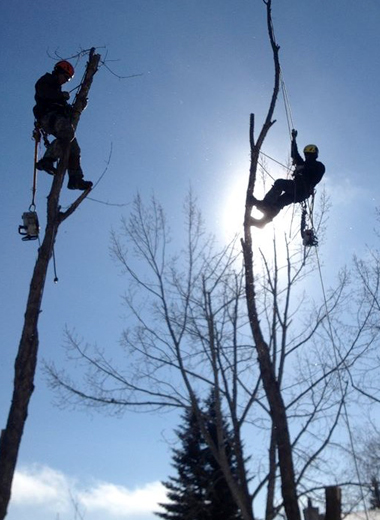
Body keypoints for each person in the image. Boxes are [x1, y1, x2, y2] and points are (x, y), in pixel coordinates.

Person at [33, 60, 93, 191]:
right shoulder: (46, 80)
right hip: (48, 117)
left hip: (57, 118)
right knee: (67, 135)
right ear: (59, 72)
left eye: (68, 79)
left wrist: (80, 107)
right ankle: (47, 160)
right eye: (65, 77)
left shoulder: (57, 91)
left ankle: (75, 179)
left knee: (74, 148)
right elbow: (44, 93)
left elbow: (67, 111)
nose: (66, 81)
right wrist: (61, 96)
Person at [249, 130, 325, 228]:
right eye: (307, 154)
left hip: (302, 188)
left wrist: (303, 168)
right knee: (279, 203)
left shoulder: (319, 165)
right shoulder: (303, 163)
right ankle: (262, 222)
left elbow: (316, 175)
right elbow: (294, 154)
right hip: (299, 192)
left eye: (309, 154)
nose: (307, 156)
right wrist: (294, 139)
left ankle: (265, 204)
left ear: (314, 155)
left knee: (279, 183)